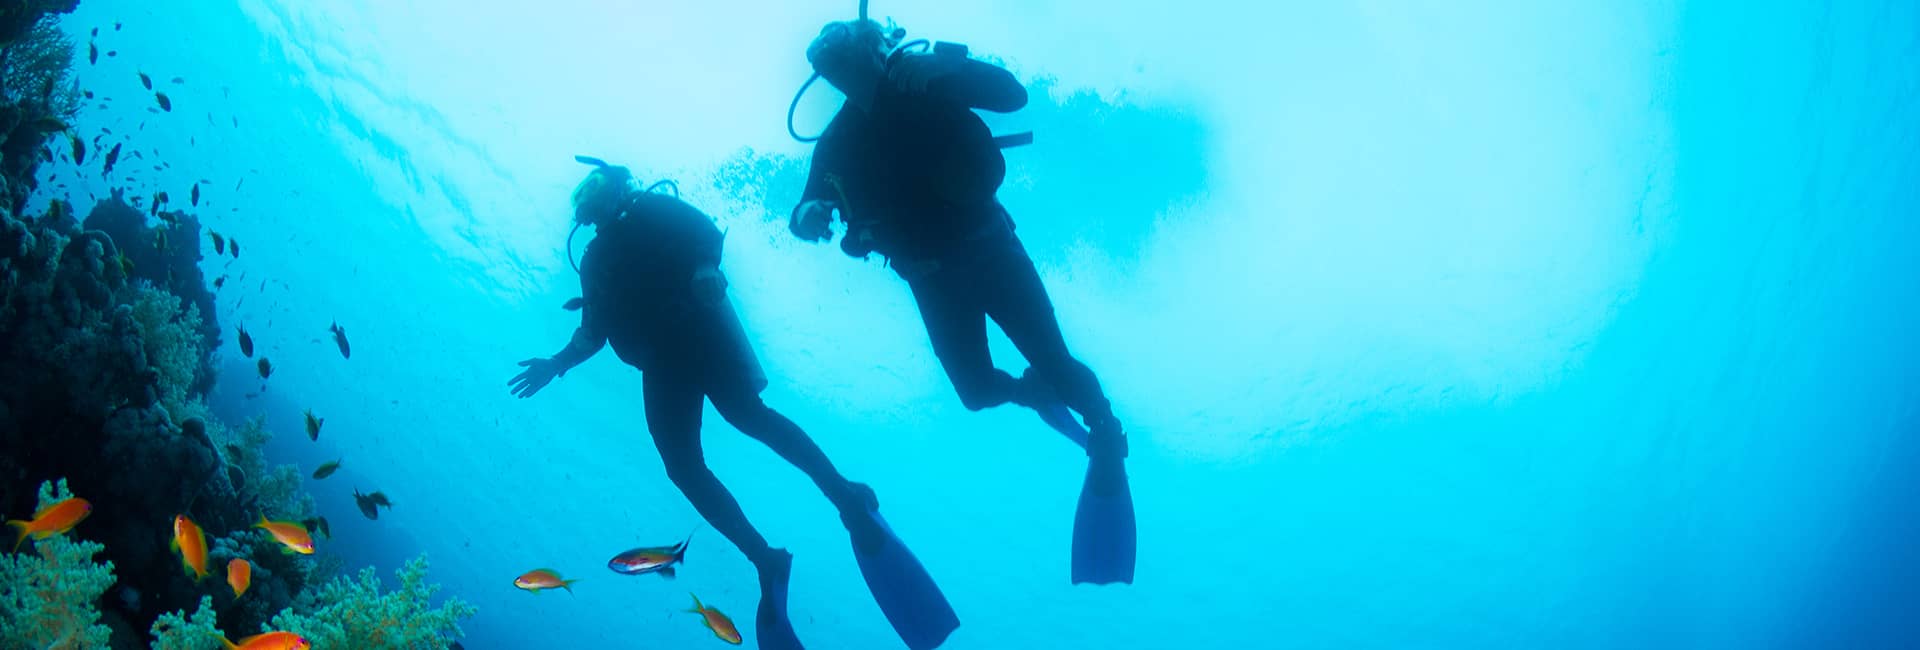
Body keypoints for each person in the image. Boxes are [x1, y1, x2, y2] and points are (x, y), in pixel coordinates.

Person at [509, 157, 951, 650]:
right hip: (661, 362)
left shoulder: (653, 207)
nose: (586, 196)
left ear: (616, 183)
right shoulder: (592, 263)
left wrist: (702, 270)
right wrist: (556, 363)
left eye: (593, 183)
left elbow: (706, 237)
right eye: (580, 193)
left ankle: (844, 497)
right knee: (682, 467)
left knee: (748, 417)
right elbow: (593, 333)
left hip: (700, 327)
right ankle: (765, 558)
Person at [791, 20, 1136, 585]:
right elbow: (808, 200)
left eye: (849, 62)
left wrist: (947, 67)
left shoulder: (927, 80)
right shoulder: (837, 141)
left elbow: (1013, 95)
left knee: (1058, 362)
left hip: (992, 252)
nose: (846, 77)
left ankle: (1103, 426)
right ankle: (1035, 393)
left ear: (875, 52)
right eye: (835, 72)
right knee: (976, 393)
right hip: (932, 280)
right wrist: (808, 217)